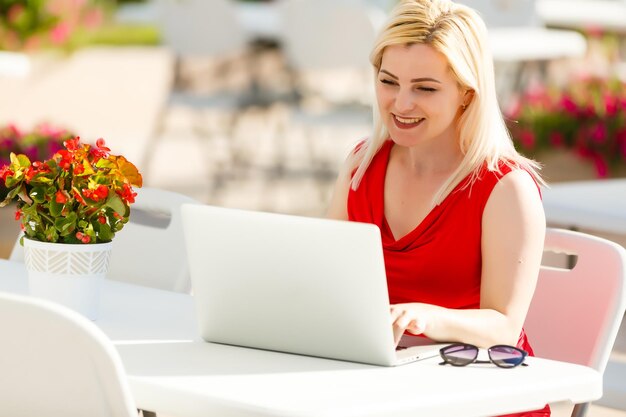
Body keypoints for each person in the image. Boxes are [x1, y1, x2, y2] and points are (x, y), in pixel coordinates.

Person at [326, 1, 548, 416]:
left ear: (467, 93)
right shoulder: (360, 167)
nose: (401, 103)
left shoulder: (505, 188)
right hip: (381, 393)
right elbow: (326, 281)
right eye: (389, 81)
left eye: (425, 89)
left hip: (479, 398)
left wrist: (427, 318)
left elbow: (504, 326)